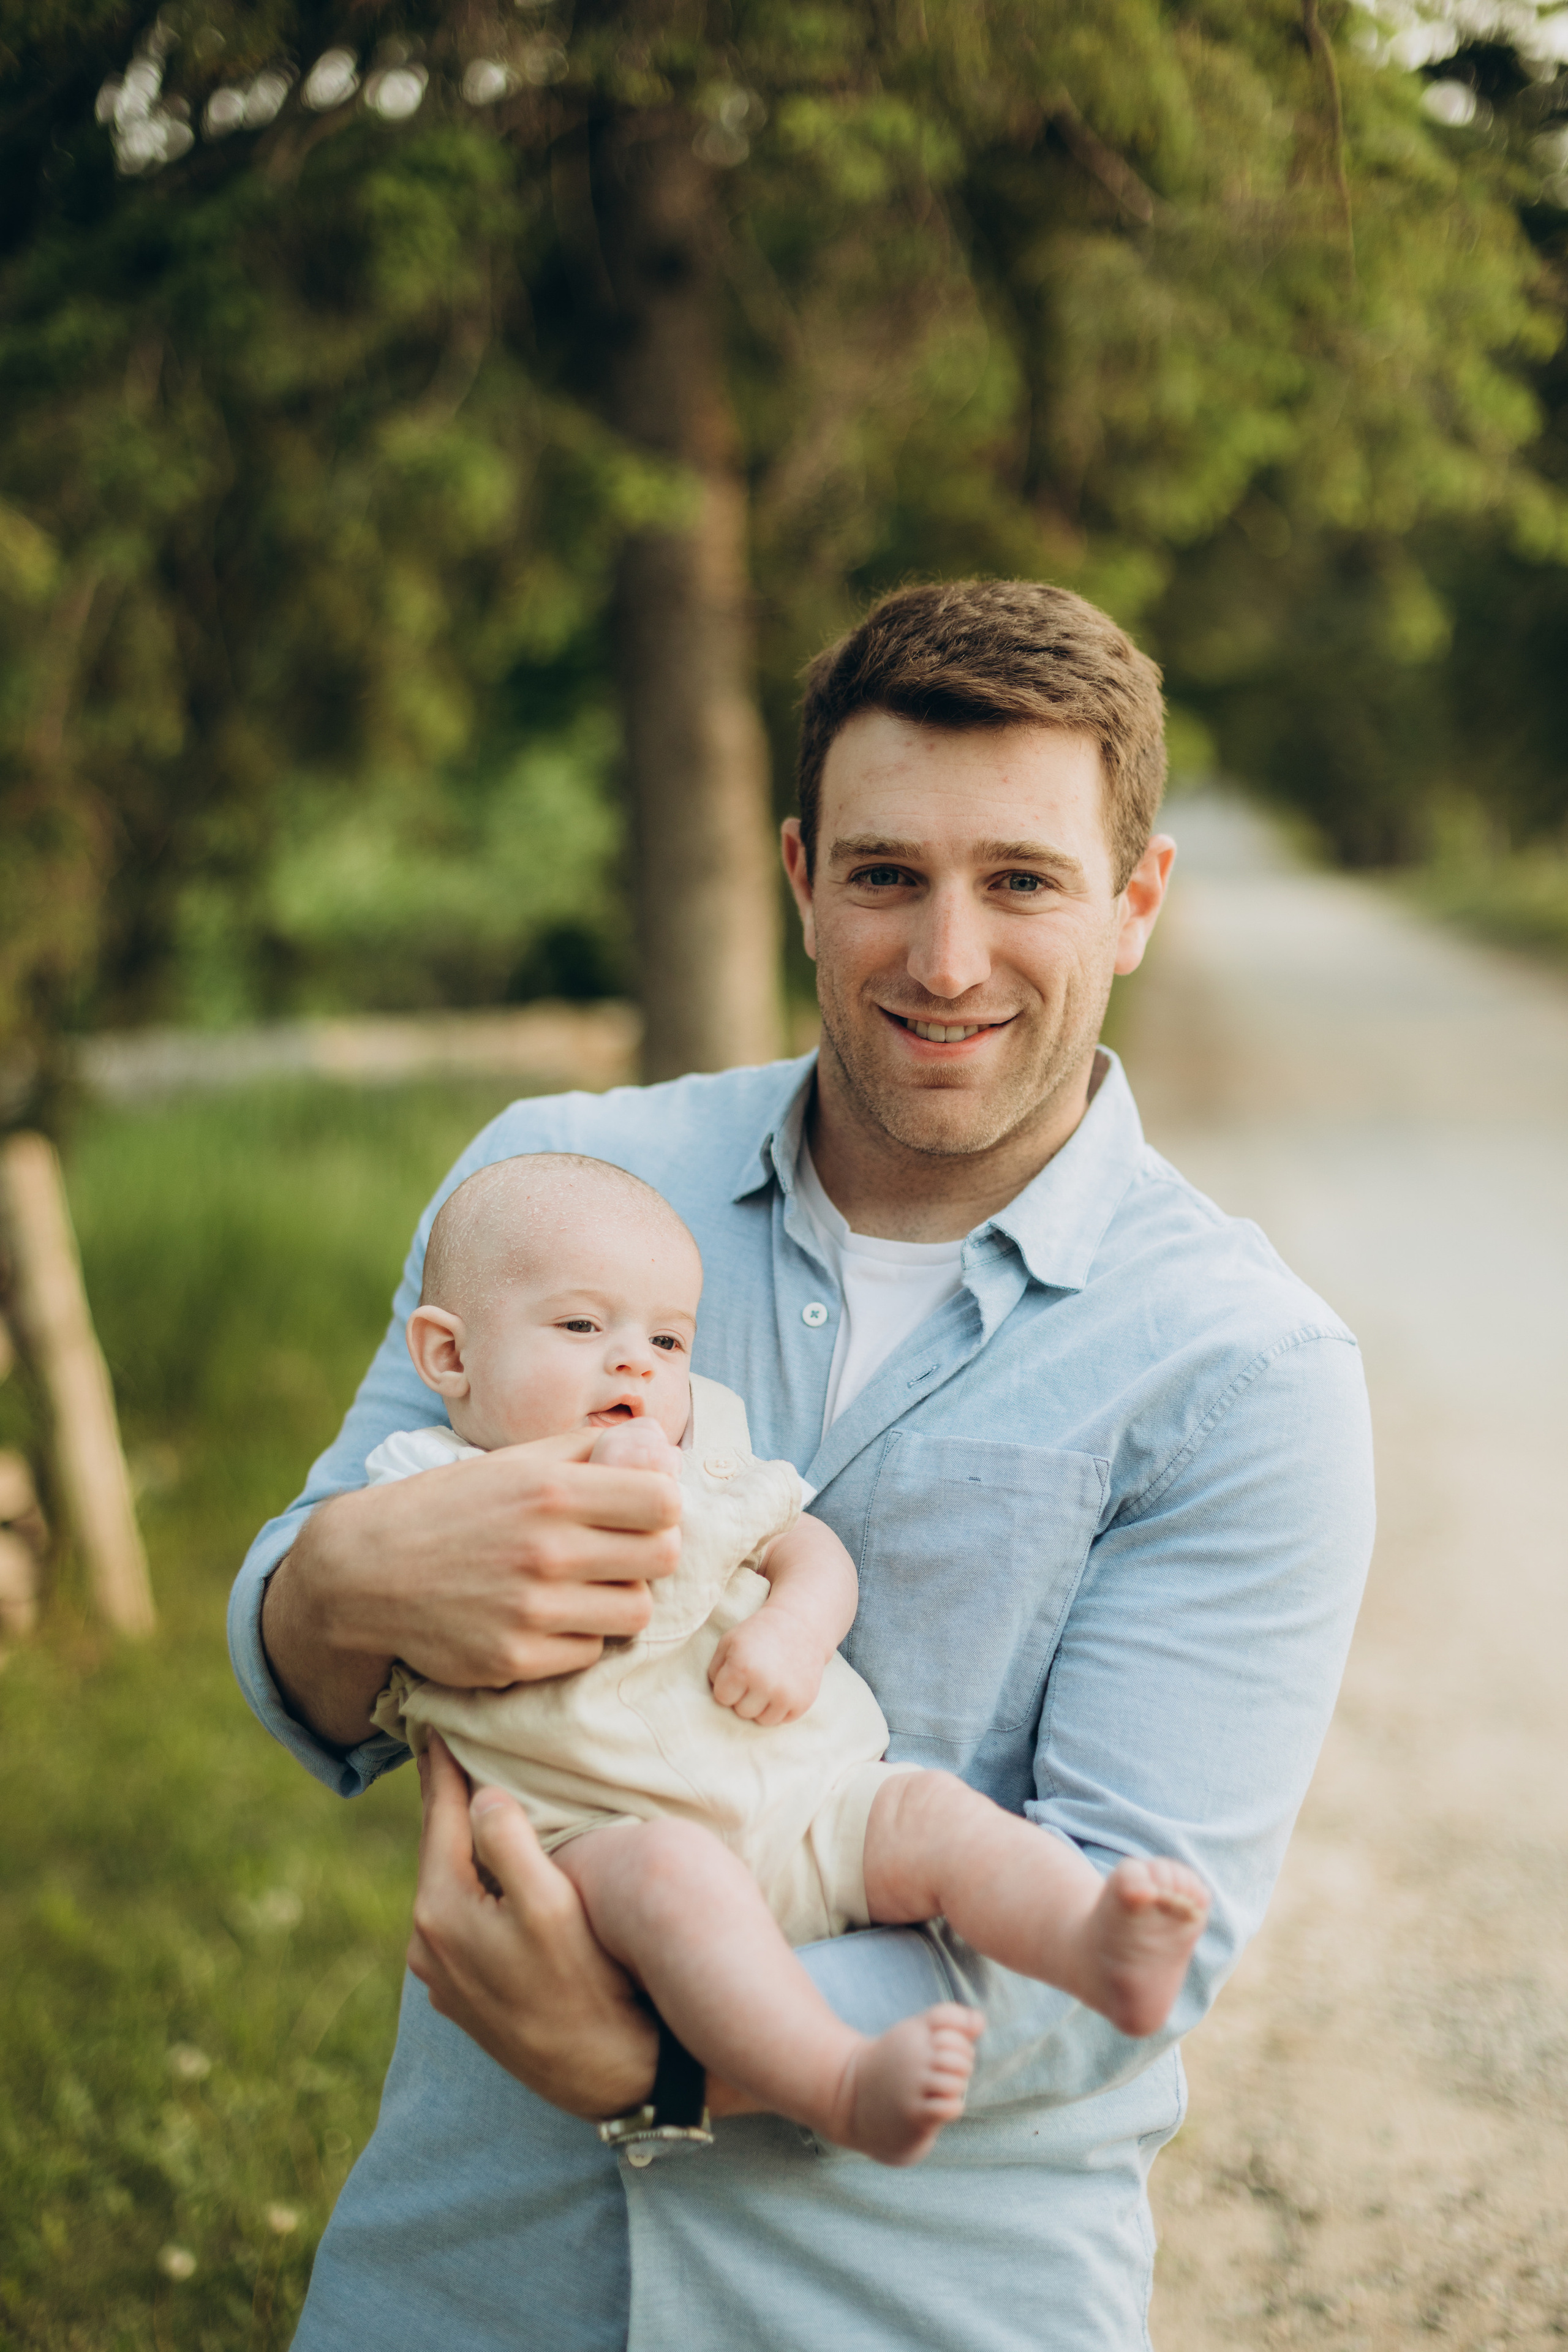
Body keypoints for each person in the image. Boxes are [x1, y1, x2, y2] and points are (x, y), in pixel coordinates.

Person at [233, 579, 1375, 2350]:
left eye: (1022, 881)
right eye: (885, 875)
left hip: (905, 2298)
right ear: (797, 875)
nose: (945, 959)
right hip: (464, 2280)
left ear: (1137, 902)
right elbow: (308, 1631)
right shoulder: (556, 1185)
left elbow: (1129, 1955)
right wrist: (342, 1583)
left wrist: (661, 2050)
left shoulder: (1249, 1376)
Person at [363, 1151, 1210, 2165]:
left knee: (932, 1815)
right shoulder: (420, 1486)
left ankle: (1085, 1941)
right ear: (449, 1359)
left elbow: (807, 1548)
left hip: (816, 1803)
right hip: (604, 1840)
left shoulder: (709, 1444)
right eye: (584, 1327)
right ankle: (842, 2082)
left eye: (667, 1339)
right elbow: (382, 1624)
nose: (635, 1364)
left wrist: (797, 1629)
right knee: (683, 1884)